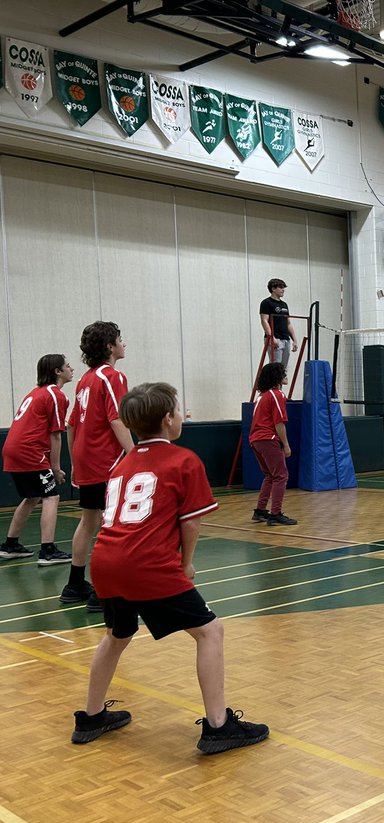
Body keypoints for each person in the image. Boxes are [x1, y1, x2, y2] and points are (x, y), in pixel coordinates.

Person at [71, 382, 269, 755]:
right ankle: (218, 726)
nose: (181, 415)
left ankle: (92, 716)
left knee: (117, 633)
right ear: (168, 420)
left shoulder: (121, 464)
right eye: (178, 410)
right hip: (147, 566)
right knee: (210, 632)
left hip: (105, 562)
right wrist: (185, 563)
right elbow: (190, 524)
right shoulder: (184, 460)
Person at [61, 322, 134, 611]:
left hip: (86, 458)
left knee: (88, 520)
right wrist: (136, 453)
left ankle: (75, 583)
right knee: (111, 524)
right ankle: (102, 591)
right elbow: (117, 419)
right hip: (107, 460)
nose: (123, 344)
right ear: (109, 346)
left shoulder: (85, 380)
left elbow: (71, 426)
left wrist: (75, 462)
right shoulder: (112, 376)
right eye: (120, 339)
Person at [1, 354, 74, 565]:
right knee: (51, 497)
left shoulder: (35, 393)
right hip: (29, 451)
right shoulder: (56, 395)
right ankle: (48, 551)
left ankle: (10, 545)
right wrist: (56, 468)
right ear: (57, 372)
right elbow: (55, 434)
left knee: (31, 497)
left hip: (13, 449)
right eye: (67, 366)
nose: (72, 369)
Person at [249, 363, 296, 526]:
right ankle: (275, 513)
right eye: (283, 373)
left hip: (255, 440)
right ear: (277, 377)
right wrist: (286, 445)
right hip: (267, 438)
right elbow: (279, 423)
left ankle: (260, 511)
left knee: (270, 475)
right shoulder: (277, 395)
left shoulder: (261, 396)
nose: (286, 375)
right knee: (281, 475)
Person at [259, 278, 299, 370]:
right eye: (280, 287)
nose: (283, 290)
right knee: (275, 366)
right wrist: (271, 337)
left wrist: (295, 340)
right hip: (275, 338)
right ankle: (271, 384)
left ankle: (279, 383)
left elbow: (288, 323)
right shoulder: (266, 303)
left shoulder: (284, 305)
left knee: (283, 368)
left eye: (283, 287)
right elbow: (264, 321)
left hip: (285, 339)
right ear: (273, 288)